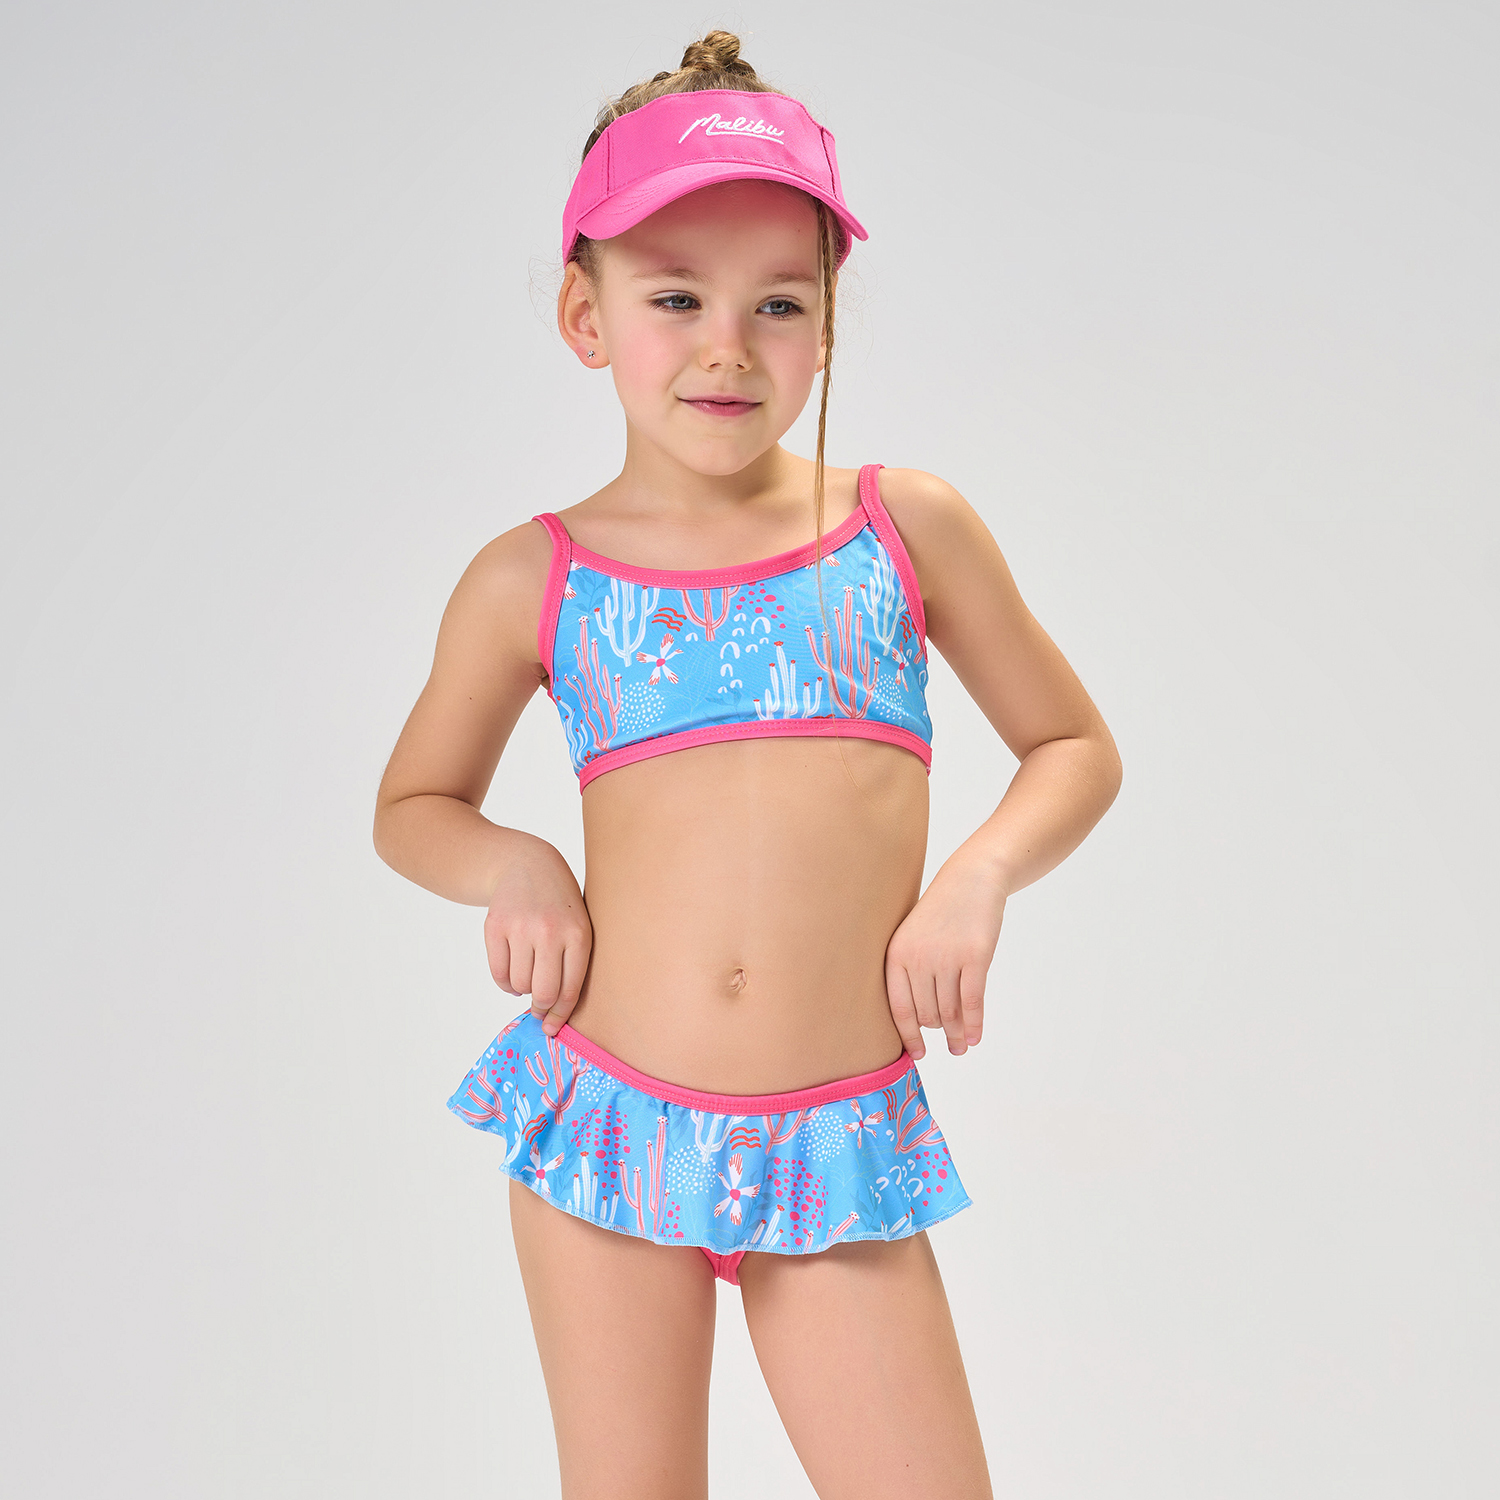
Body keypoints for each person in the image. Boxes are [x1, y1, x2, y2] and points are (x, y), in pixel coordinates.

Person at [373, 30, 1122, 1500]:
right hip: (609, 1134)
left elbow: (1074, 745)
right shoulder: (536, 576)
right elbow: (412, 806)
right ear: (586, 316)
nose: (728, 344)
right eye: (676, 298)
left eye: (778, 303)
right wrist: (515, 862)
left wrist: (975, 880)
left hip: (835, 1141)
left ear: (826, 323)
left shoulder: (904, 529)